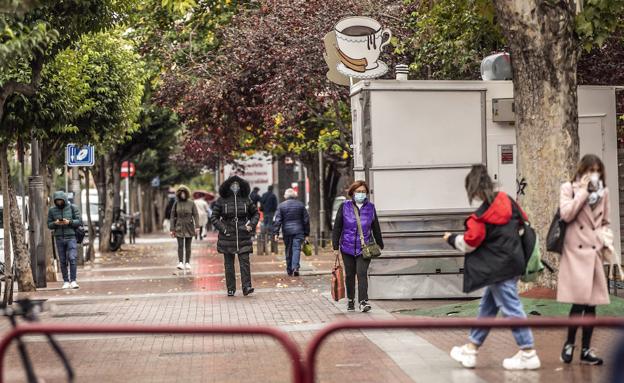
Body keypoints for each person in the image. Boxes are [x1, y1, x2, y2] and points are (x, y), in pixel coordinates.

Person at [443, 164, 540, 371]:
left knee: (511, 308)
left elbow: (469, 243)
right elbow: (524, 222)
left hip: (496, 270)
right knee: (487, 308)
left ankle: (528, 352)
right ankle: (471, 349)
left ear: (475, 190)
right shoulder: (507, 200)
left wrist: (451, 238)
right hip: (513, 263)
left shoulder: (481, 216)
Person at [558, 154, 611, 366]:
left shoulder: (604, 193)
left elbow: (605, 221)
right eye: (589, 170)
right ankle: (569, 344)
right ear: (581, 171)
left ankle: (586, 349)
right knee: (578, 302)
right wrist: (582, 192)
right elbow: (566, 214)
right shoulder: (569, 189)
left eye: (596, 170)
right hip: (575, 252)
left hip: (594, 251)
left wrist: (606, 239)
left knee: (592, 304)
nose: (593, 175)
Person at [332, 180, 384, 313]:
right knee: (350, 275)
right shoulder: (344, 207)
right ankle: (350, 300)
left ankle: (363, 301)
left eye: (363, 192)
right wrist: (335, 247)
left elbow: (375, 227)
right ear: (352, 193)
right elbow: (337, 227)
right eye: (358, 191)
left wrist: (380, 243)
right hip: (347, 247)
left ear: (366, 193)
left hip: (364, 248)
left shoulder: (370, 208)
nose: (361, 194)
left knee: (361, 273)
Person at [210, 175, 260, 297]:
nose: (235, 187)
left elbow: (255, 214)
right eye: (233, 185)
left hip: (243, 234)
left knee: (245, 262)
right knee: (229, 264)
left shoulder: (246, 199)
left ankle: (246, 286)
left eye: (237, 185)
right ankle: (231, 288)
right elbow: (214, 217)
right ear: (228, 186)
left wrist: (251, 225)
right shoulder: (222, 200)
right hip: (227, 235)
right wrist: (223, 228)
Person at [47, 191, 83, 289]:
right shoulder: (52, 210)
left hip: (71, 237)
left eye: (61, 200)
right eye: (57, 201)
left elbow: (79, 221)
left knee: (72, 258)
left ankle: (73, 280)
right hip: (59, 238)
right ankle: (66, 281)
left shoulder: (73, 208)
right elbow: (49, 224)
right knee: (62, 261)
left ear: (64, 200)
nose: (59, 202)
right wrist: (55, 223)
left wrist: (69, 222)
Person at [273, 188, 310, 276]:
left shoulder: (281, 206)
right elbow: (306, 220)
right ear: (295, 196)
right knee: (296, 248)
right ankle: (295, 267)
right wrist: (306, 233)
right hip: (299, 231)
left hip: (287, 231)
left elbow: (277, 220)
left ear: (285, 196)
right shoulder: (301, 205)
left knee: (288, 250)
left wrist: (276, 233)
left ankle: (289, 269)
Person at [170, 185, 200, 270]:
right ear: (178, 194)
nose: (182, 194)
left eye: (184, 193)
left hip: (189, 227)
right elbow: (172, 216)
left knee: (188, 246)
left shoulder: (191, 203)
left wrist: (197, 226)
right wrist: (172, 229)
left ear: (187, 193)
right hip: (179, 227)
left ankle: (187, 262)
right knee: (180, 245)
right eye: (181, 193)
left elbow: (196, 215)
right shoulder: (176, 203)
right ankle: (180, 262)